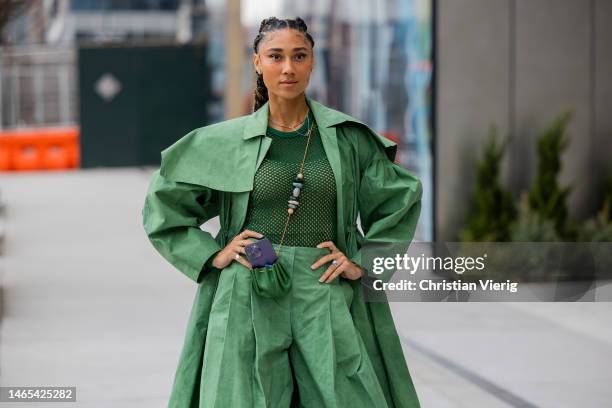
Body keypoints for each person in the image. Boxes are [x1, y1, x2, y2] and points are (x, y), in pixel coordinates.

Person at [142, 16, 422, 408]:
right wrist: (211, 254)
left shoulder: (347, 138)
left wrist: (363, 262)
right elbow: (164, 204)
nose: (288, 67)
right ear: (257, 62)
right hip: (246, 287)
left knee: (346, 396)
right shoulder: (225, 143)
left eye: (299, 56)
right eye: (276, 56)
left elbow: (400, 197)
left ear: (311, 62)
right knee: (241, 397)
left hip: (322, 287)